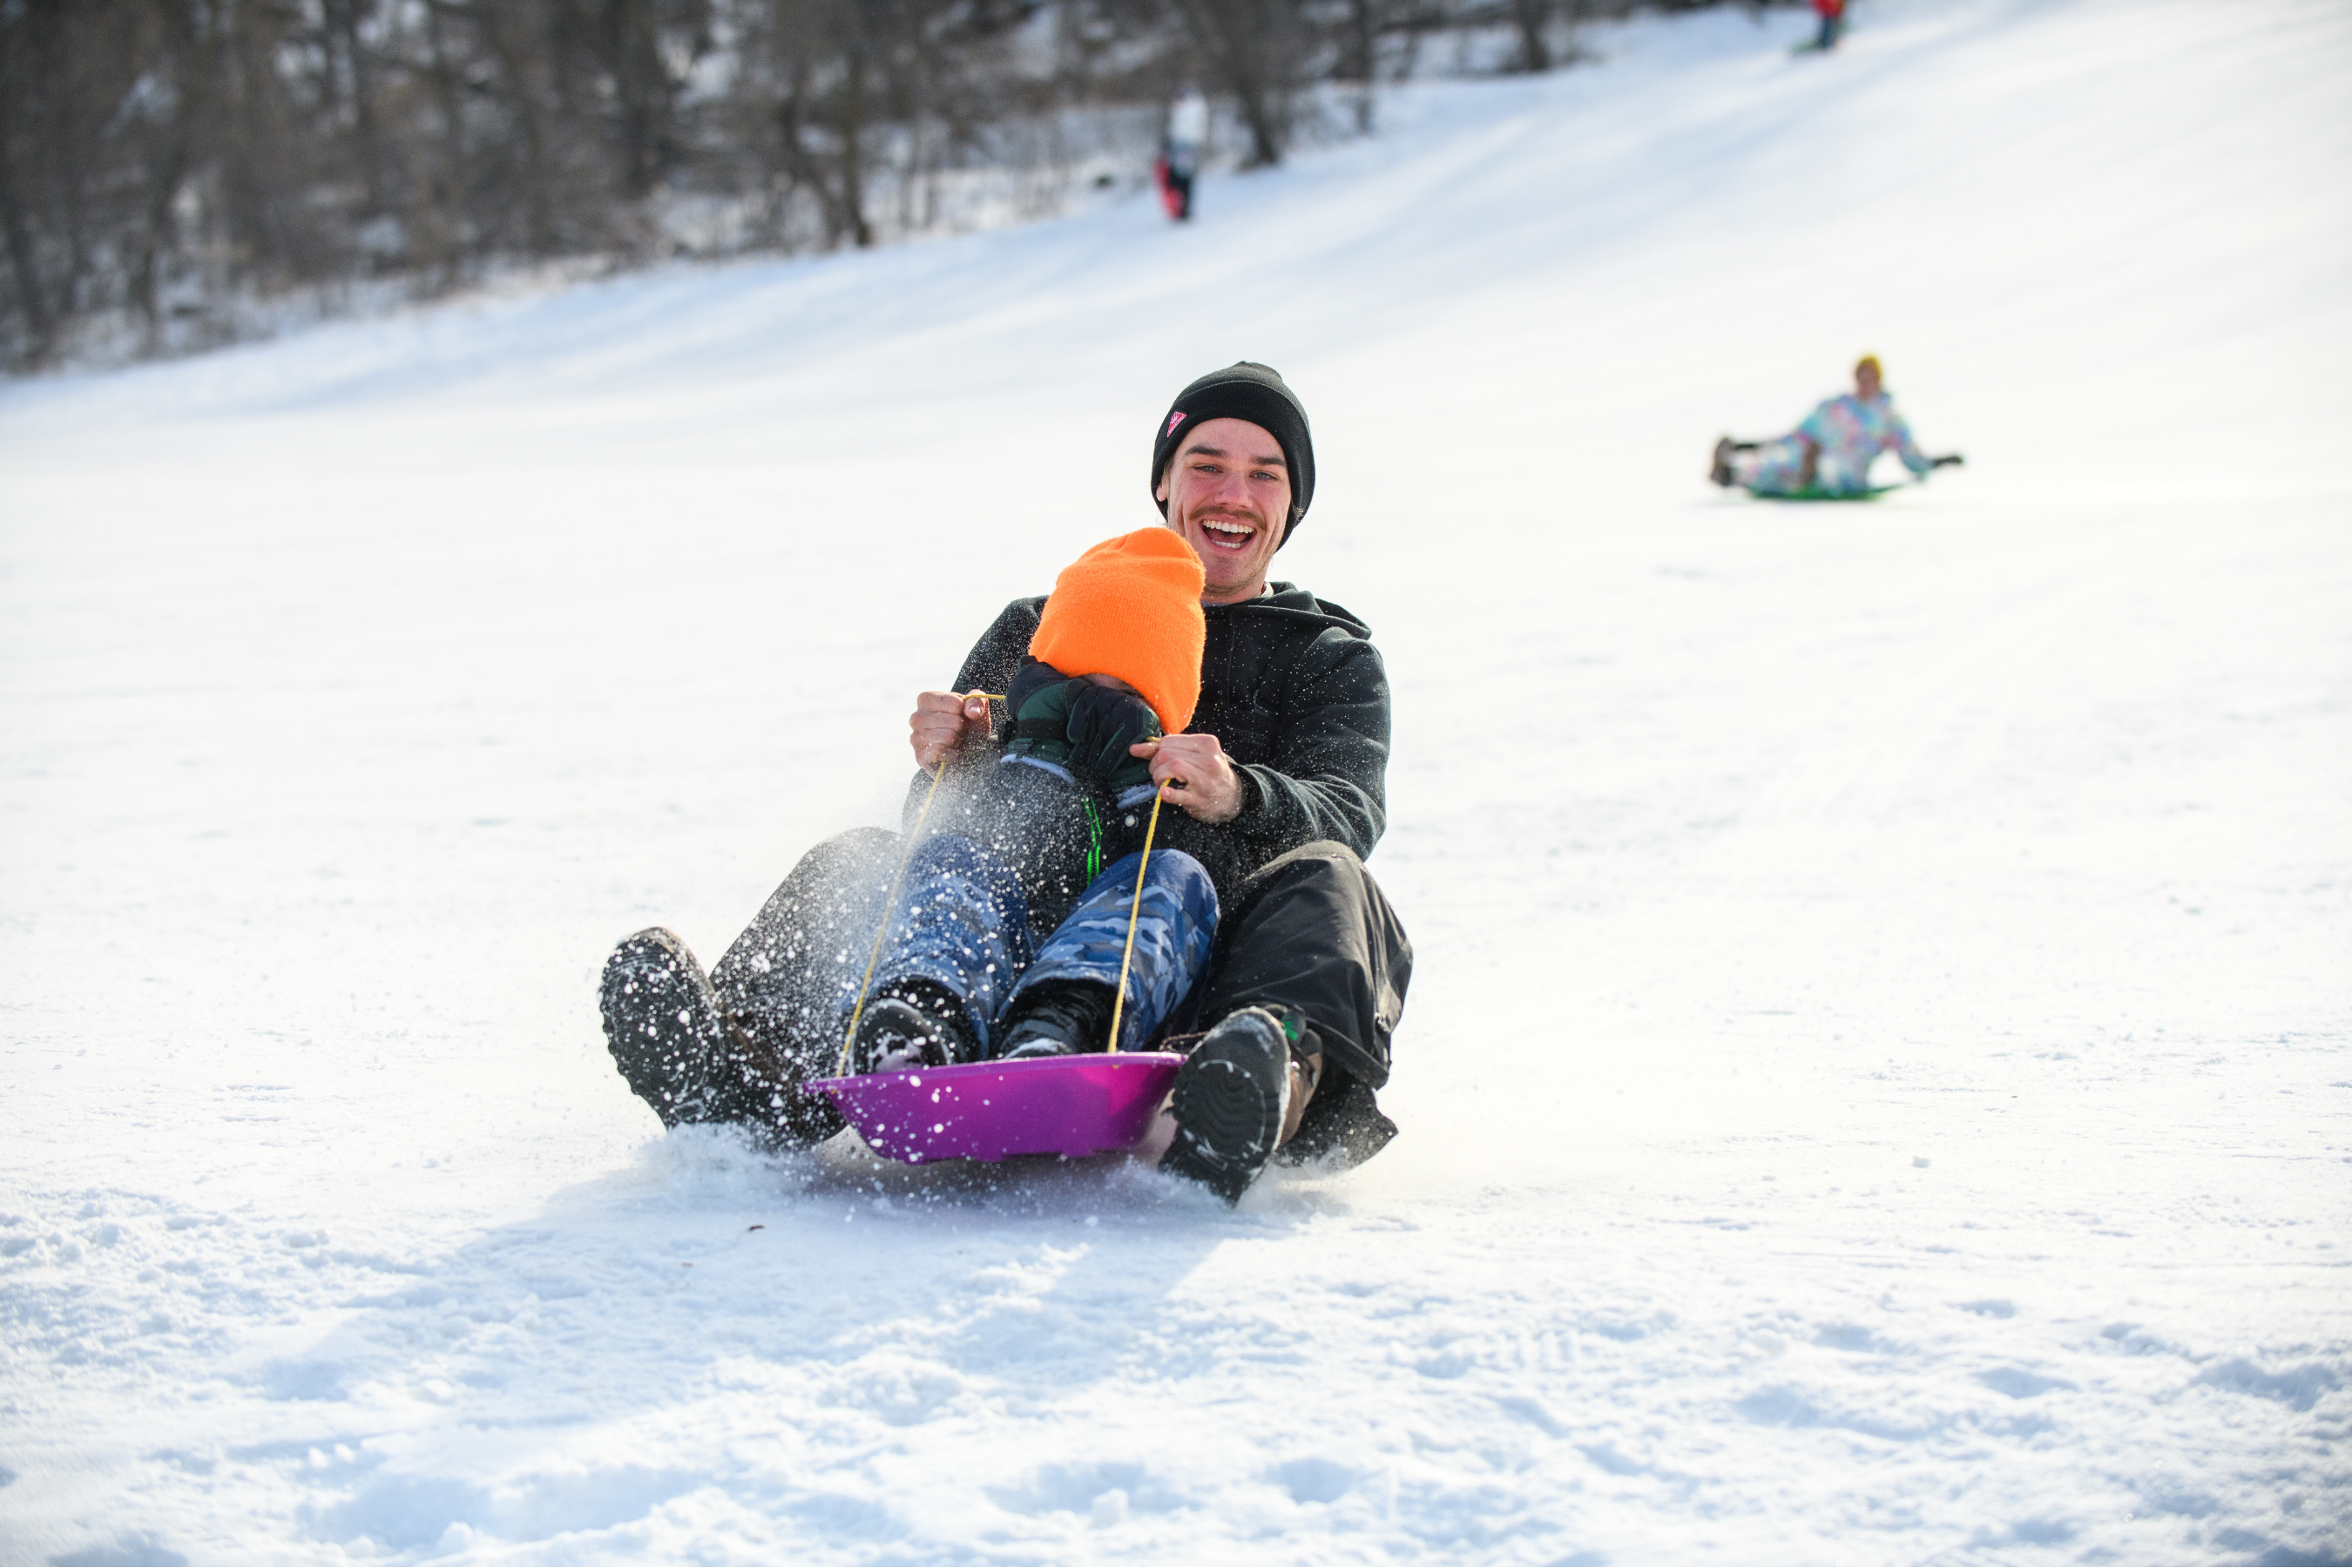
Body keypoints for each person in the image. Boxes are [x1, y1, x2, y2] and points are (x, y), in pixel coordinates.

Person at [599, 362, 1410, 1203]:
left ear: (1292, 505)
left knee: (1334, 886)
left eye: (1264, 474)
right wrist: (953, 756)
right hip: (1011, 932)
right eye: (1207, 463)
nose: (1232, 492)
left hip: (1201, 954)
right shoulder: (1051, 619)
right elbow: (941, 826)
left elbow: (1346, 812)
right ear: (1165, 482)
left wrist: (1239, 791)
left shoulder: (1325, 654)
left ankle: (1250, 1092)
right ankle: (741, 1082)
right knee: (865, 859)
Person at [1709, 355, 1960, 497]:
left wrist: (1937, 463)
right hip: (1812, 456)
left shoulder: (1889, 419)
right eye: (1860, 375)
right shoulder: (1835, 407)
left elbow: (1911, 457)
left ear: (1879, 379)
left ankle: (1810, 475)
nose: (1864, 381)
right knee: (1783, 463)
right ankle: (1730, 473)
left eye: (1870, 376)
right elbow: (1798, 436)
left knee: (1828, 470)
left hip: (1849, 472)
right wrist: (1746, 446)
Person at [1161, 85, 1208, 221]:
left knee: (1182, 179)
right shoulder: (1194, 109)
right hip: (1185, 147)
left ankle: (1183, 210)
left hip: (1184, 147)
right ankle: (1182, 209)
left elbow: (1180, 131)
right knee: (1185, 179)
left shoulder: (1187, 110)